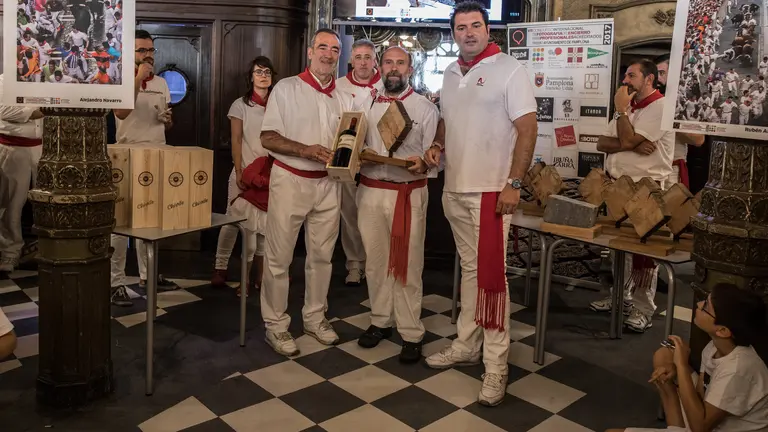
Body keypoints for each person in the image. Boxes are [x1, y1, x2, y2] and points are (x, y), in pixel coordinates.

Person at [422, 1, 538, 406]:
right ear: (453, 33)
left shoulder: (510, 69)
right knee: (471, 273)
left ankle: (496, 365)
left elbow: (528, 129)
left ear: (488, 30)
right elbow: (448, 119)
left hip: (491, 192)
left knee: (492, 279)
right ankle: (467, 344)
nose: (468, 33)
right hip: (454, 187)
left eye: (475, 25)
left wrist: (514, 183)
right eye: (461, 27)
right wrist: (438, 143)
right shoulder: (451, 73)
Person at [259, 29, 358, 356]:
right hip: (290, 181)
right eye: (323, 47)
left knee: (322, 257)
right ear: (310, 52)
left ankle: (315, 318)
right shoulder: (286, 88)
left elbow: (350, 141)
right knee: (279, 258)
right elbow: (268, 137)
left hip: (329, 184)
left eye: (335, 49)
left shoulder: (345, 97)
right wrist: (305, 150)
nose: (329, 54)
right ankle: (276, 324)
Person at [355, 46, 439, 364]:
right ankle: (380, 320)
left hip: (408, 193)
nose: (394, 68)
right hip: (370, 190)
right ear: (380, 67)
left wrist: (425, 164)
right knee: (375, 261)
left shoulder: (425, 108)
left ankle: (411, 332)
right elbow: (350, 139)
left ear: (410, 69)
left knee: (408, 265)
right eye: (388, 62)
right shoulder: (364, 103)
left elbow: (435, 157)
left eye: (400, 63)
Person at [607, 284, 768, 432]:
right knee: (664, 356)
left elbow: (700, 427)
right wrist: (675, 370)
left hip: (703, 427)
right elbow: (700, 394)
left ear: (723, 331)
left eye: (705, 306)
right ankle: (676, 428)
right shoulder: (715, 346)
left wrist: (682, 365)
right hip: (705, 421)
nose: (698, 304)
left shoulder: (738, 370)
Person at [592, 60, 675, 332]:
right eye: (625, 75)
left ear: (649, 79)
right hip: (619, 187)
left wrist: (620, 114)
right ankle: (621, 297)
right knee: (618, 248)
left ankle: (643, 308)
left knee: (643, 253)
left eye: (631, 75)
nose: (625, 80)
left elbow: (625, 140)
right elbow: (602, 143)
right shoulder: (629, 109)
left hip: (645, 189)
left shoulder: (661, 106)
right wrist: (631, 144)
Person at [109, 30, 175, 307]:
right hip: (126, 155)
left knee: (150, 218)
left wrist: (167, 119)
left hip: (156, 152)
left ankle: (148, 274)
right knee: (121, 221)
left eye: (150, 50)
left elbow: (167, 122)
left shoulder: (161, 82)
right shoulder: (120, 79)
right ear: (131, 53)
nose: (148, 55)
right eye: (141, 50)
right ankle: (115, 281)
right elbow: (121, 113)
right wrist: (137, 78)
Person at [211, 56, 275, 297]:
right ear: (251, 76)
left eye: (267, 72)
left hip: (268, 175)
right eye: (259, 72)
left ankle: (260, 274)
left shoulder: (277, 103)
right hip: (245, 169)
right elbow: (236, 139)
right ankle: (220, 266)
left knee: (264, 226)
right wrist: (238, 170)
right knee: (232, 220)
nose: (263, 76)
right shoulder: (241, 105)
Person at [335, 38, 383, 286]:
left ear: (375, 60)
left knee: (375, 216)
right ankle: (354, 264)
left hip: (378, 161)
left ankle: (376, 266)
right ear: (351, 60)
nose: (363, 62)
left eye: (367, 57)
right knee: (350, 215)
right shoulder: (338, 86)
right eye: (358, 57)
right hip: (347, 158)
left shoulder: (387, 85)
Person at [0, 74, 44, 273]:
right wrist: (34, 111)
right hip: (12, 148)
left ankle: (45, 248)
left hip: (43, 148)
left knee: (46, 203)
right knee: (11, 205)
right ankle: (10, 252)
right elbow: (2, 109)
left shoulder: (46, 79)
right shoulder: (3, 80)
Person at [655, 54, 704, 188]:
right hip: (644, 168)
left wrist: (669, 120)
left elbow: (698, 139)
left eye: (662, 73)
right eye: (654, 73)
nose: (657, 78)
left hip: (671, 171)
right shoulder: (643, 98)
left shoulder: (683, 100)